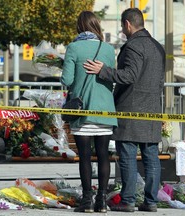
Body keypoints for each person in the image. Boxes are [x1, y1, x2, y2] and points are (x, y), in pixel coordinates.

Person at [83, 8, 166, 212]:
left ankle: (128, 201)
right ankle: (151, 201)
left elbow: (129, 76)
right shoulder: (158, 47)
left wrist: (103, 71)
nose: (122, 30)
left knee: (128, 155)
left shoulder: (134, 46)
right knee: (151, 156)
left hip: (131, 107)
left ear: (128, 24)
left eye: (122, 26)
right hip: (153, 108)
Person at [61, 11, 118, 213]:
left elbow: (67, 80)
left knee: (85, 157)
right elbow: (111, 76)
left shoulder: (74, 48)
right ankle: (101, 201)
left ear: (79, 26)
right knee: (104, 156)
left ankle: (87, 201)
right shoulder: (109, 50)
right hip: (105, 110)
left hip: (82, 110)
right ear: (96, 26)